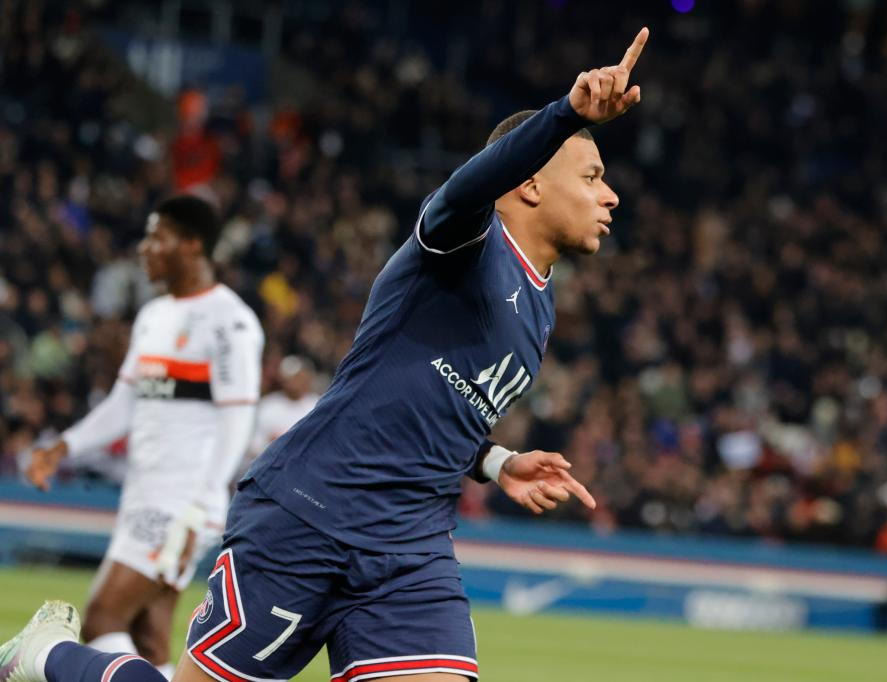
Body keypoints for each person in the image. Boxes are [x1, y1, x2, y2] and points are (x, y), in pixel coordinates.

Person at [0, 26, 649, 682]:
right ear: (529, 183)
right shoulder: (466, 240)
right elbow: (466, 187)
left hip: (410, 548)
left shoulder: (539, 308)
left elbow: (424, 401)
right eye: (592, 176)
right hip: (310, 514)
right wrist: (565, 114)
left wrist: (495, 460)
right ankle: (46, 655)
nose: (610, 195)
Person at [10, 196, 264, 679]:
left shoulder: (229, 322)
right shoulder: (153, 316)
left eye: (156, 237)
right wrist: (63, 448)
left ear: (192, 244)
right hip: (143, 493)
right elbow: (123, 404)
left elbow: (238, 421)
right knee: (149, 639)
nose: (144, 248)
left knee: (102, 616)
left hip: (181, 501)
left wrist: (199, 507)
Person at [238, 355, 319, 480]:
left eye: (298, 376)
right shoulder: (268, 405)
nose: (294, 382)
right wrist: (272, 445)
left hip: (306, 472)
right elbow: (252, 445)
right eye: (290, 377)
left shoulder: (317, 406)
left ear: (307, 377)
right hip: (270, 470)